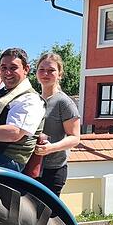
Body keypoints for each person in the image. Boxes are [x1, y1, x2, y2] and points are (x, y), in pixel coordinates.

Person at [33, 52, 81, 196]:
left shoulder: (64, 102)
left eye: (51, 70)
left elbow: (75, 137)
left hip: (53, 170)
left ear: (60, 74)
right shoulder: (34, 99)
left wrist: (51, 148)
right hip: (33, 166)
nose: (45, 73)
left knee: (48, 215)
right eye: (41, 69)